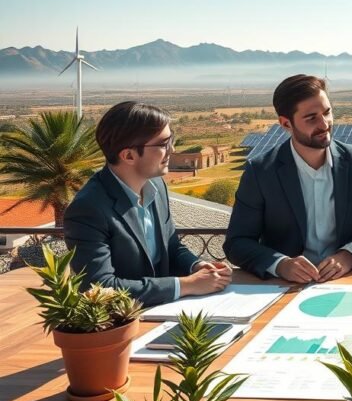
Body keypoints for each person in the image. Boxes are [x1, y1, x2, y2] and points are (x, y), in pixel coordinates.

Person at [66, 101, 232, 307]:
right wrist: (186, 285)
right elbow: (98, 288)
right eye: (163, 144)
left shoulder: (156, 185)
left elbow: (170, 246)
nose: (172, 149)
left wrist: (196, 266)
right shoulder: (89, 209)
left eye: (171, 140)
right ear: (128, 155)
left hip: (167, 311)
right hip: (121, 324)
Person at [225, 74, 352, 283]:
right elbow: (237, 243)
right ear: (286, 124)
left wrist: (348, 256)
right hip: (284, 286)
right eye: (311, 118)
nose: (324, 124)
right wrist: (280, 264)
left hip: (346, 281)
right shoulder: (261, 171)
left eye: (327, 112)